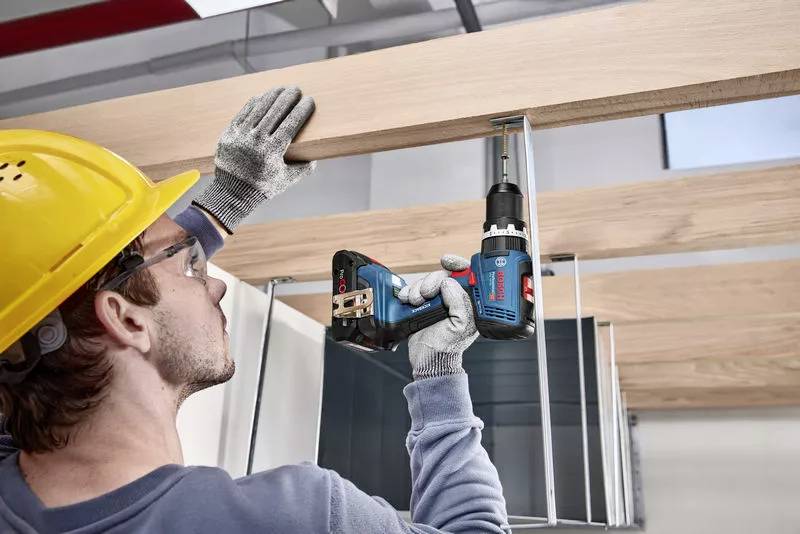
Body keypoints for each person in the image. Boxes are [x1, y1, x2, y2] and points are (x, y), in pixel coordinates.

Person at [0, 86, 510, 533]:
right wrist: (439, 375)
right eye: (192, 270)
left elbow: (49, 311)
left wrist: (226, 202)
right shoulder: (299, 519)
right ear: (126, 319)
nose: (215, 287)